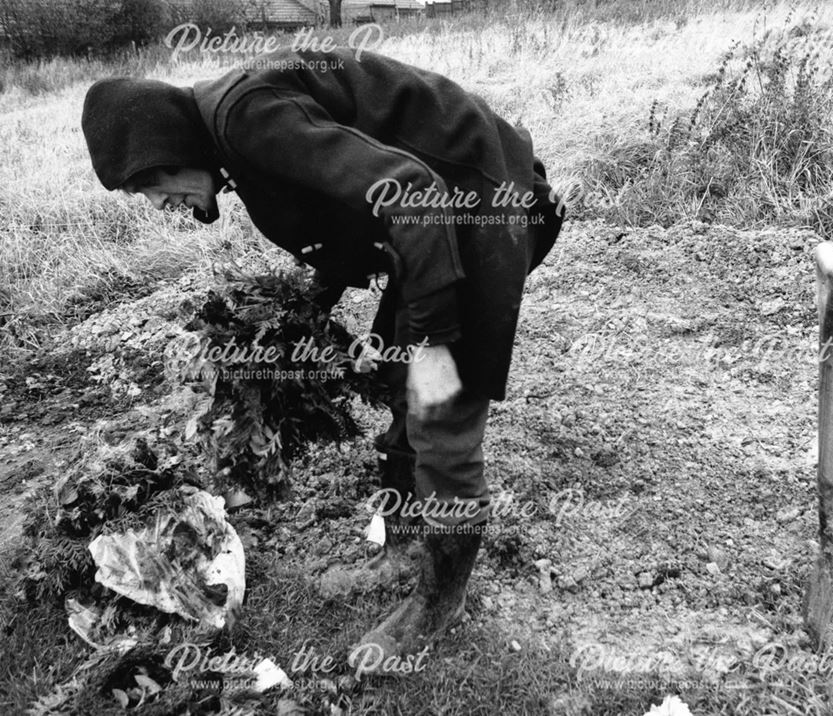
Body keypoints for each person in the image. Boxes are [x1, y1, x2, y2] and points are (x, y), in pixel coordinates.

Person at [81, 46, 563, 670]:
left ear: (169, 145)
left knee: (439, 411)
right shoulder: (234, 141)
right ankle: (403, 542)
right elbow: (341, 211)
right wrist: (310, 314)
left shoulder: (245, 119)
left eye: (148, 182)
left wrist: (428, 340)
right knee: (400, 383)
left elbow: (414, 190)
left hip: (479, 204)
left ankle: (438, 600)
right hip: (428, 224)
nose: (155, 203)